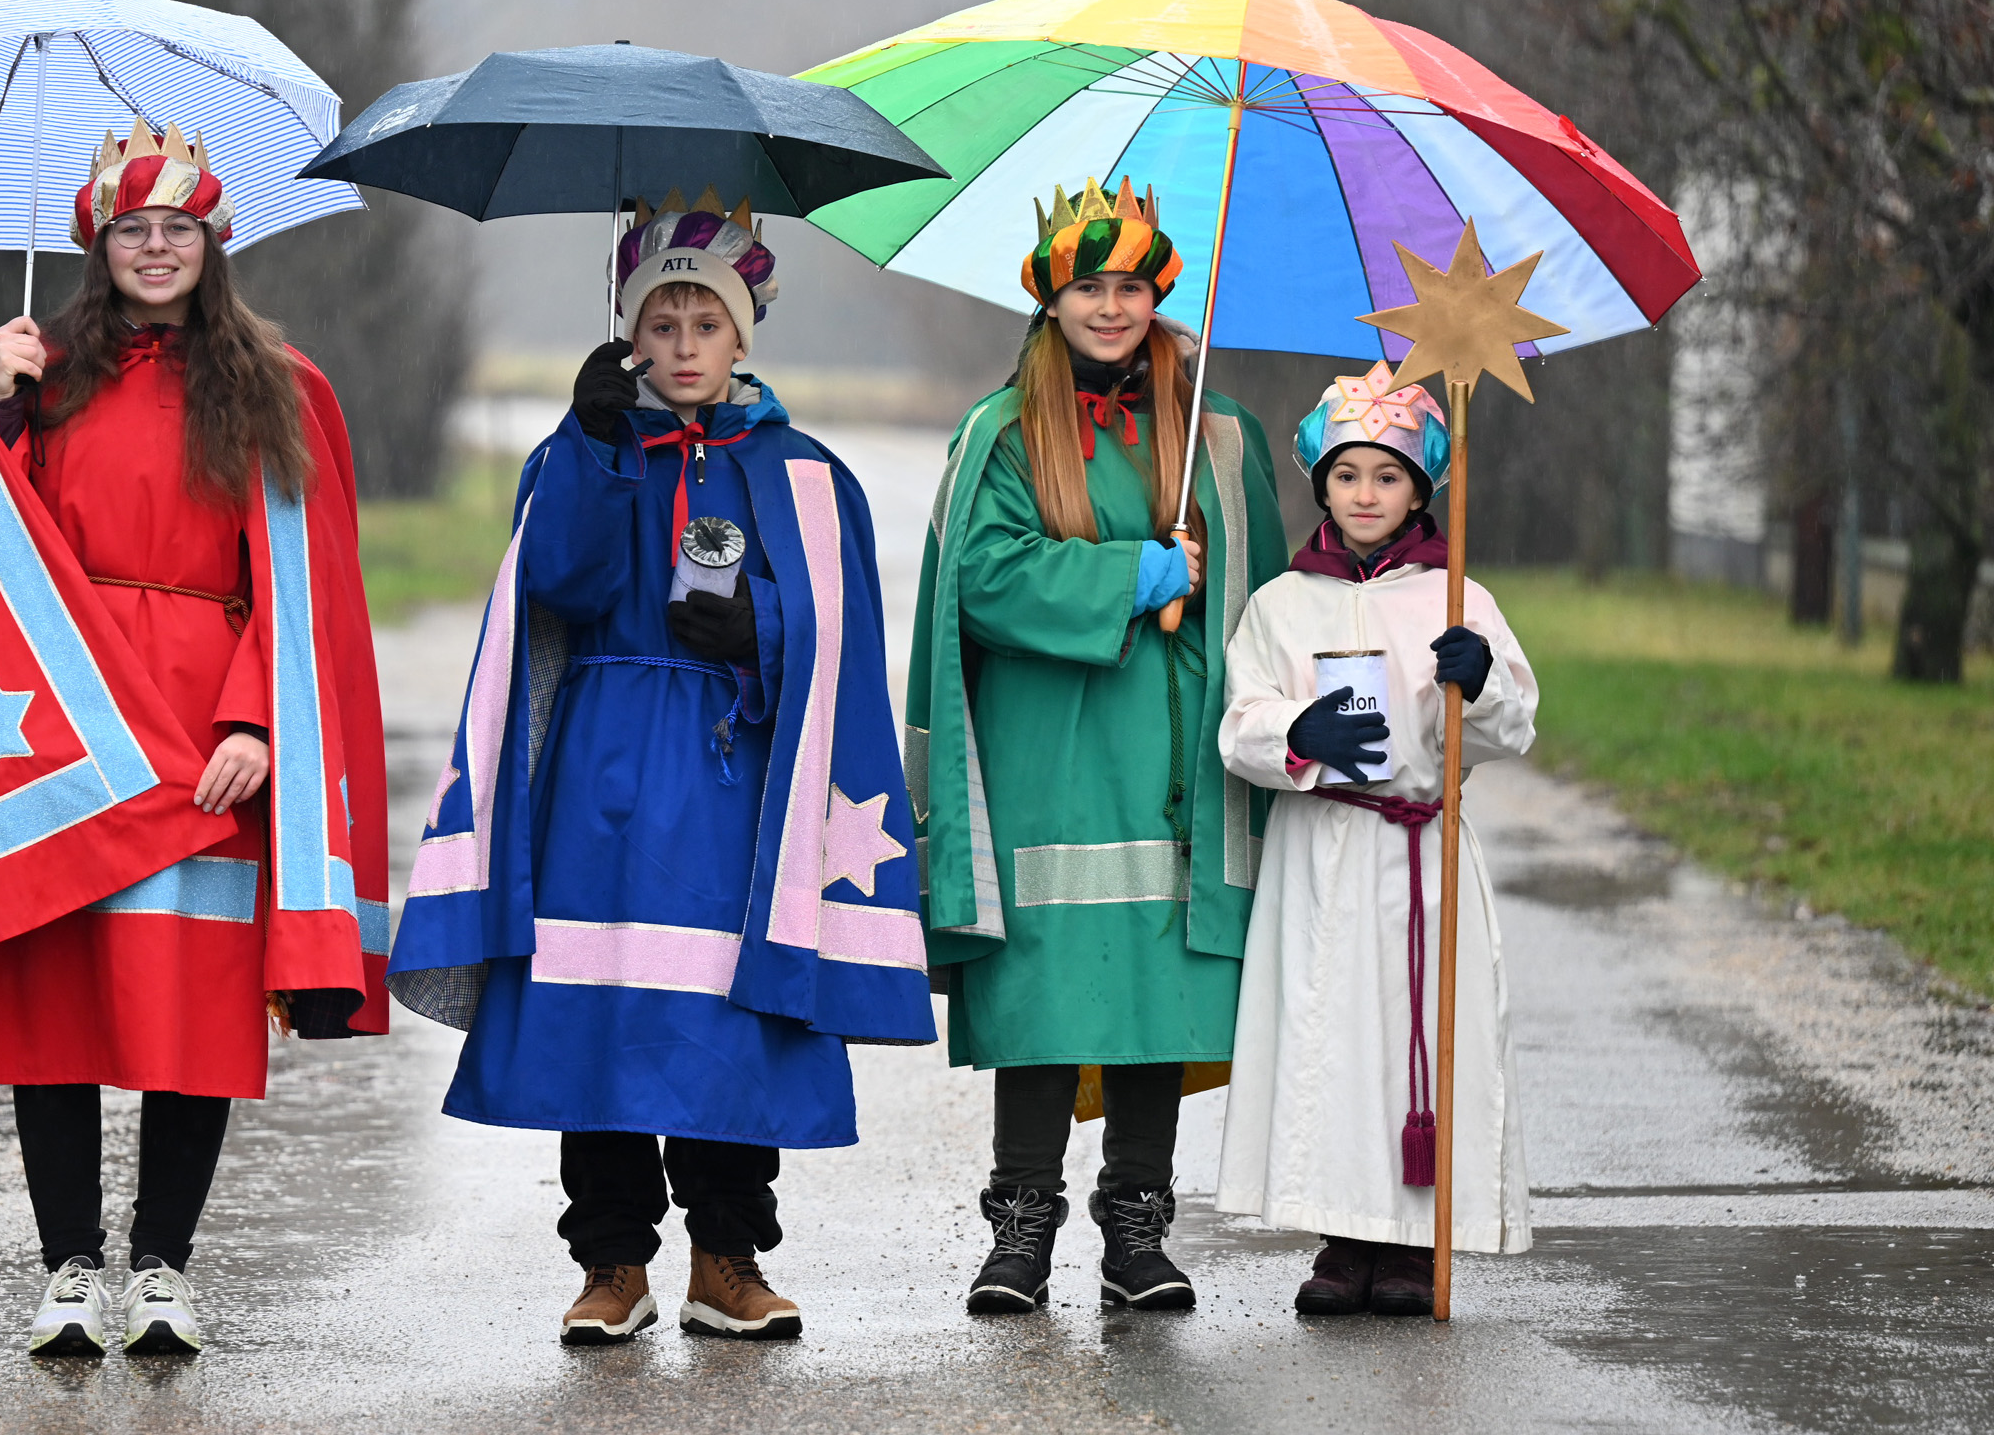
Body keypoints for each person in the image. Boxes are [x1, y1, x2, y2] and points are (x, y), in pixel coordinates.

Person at [390, 189, 934, 1347]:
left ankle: (727, 1258)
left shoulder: (803, 473)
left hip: (736, 784)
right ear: (630, 331)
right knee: (597, 1015)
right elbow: (560, 586)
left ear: (744, 334)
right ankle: (610, 1261)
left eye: (707, 325)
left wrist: (760, 632)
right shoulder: (585, 445)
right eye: (662, 324)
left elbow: (840, 643)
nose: (683, 348)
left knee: (725, 1022)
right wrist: (591, 446)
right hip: (601, 776)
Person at [0, 119, 387, 1358]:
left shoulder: (282, 385)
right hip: (68, 728)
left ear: (214, 242)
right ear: (96, 244)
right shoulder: (43, 373)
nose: (155, 250)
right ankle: (66, 1266)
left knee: (188, 1011)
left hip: (203, 727)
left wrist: (260, 717)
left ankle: (163, 1265)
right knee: (55, 1005)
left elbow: (310, 582)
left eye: (178, 230)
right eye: (132, 231)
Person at [908, 178, 1286, 1316]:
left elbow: (1268, 604)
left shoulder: (1219, 434)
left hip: (1168, 758)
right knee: (1046, 989)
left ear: (1158, 292)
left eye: (1128, 285)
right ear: (1051, 296)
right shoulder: (1003, 431)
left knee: (1146, 996)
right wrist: (1138, 573)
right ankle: (1020, 1226)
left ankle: (1137, 1229)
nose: (1110, 306)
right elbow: (981, 577)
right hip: (1044, 757)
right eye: (1089, 286)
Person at [1214, 362, 1539, 1316]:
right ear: (1322, 484)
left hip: (1422, 851)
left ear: (1420, 489)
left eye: (1388, 476)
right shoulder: (1282, 603)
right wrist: (1295, 737)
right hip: (1325, 848)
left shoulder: (1456, 598)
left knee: (1417, 1040)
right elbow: (1241, 720)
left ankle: (1411, 1243)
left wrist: (1478, 683)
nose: (1366, 494)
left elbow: (1512, 726)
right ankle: (1340, 1238)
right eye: (1349, 474)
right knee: (1330, 1035)